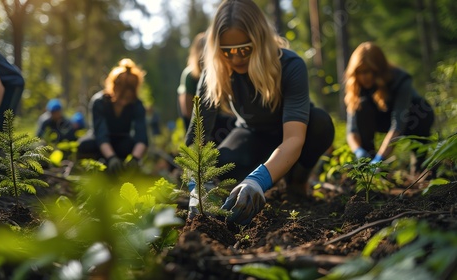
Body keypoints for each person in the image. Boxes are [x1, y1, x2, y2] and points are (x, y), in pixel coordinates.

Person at [185, 0, 335, 225]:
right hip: (251, 136)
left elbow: (294, 138)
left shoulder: (291, 65)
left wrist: (259, 180)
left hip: (292, 139)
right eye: (227, 53)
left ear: (260, 41)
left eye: (244, 50)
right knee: (222, 162)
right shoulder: (214, 73)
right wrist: (197, 189)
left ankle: (296, 183)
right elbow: (195, 140)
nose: (235, 59)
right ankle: (247, 188)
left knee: (321, 123)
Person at [344, 42, 434, 173]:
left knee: (422, 111)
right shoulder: (356, 84)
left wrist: (381, 158)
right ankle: (370, 164)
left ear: (378, 69)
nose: (364, 77)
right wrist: (359, 152)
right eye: (359, 72)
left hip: (412, 118)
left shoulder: (401, 79)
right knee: (361, 106)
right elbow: (351, 130)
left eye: (368, 71)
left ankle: (419, 165)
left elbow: (398, 124)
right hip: (381, 119)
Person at [78, 58, 148, 175]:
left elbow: (141, 136)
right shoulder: (99, 102)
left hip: (122, 143)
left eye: (128, 99)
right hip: (98, 143)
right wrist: (111, 157)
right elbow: (101, 134)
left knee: (128, 145)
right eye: (121, 98)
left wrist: (135, 159)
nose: (124, 102)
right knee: (84, 145)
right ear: (114, 88)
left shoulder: (137, 105)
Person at [177, 32, 236, 144]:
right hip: (198, 122)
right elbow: (187, 110)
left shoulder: (220, 72)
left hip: (217, 119)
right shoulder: (190, 75)